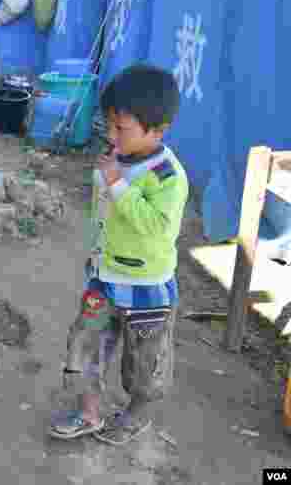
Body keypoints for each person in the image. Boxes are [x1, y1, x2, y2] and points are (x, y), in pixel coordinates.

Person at [48, 64, 187, 446]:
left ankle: (135, 415)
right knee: (86, 341)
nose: (110, 136)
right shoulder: (116, 158)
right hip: (104, 276)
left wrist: (117, 185)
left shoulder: (167, 177)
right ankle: (89, 412)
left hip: (147, 288)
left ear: (157, 129)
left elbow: (155, 226)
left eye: (120, 129)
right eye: (108, 125)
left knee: (144, 362)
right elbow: (103, 210)